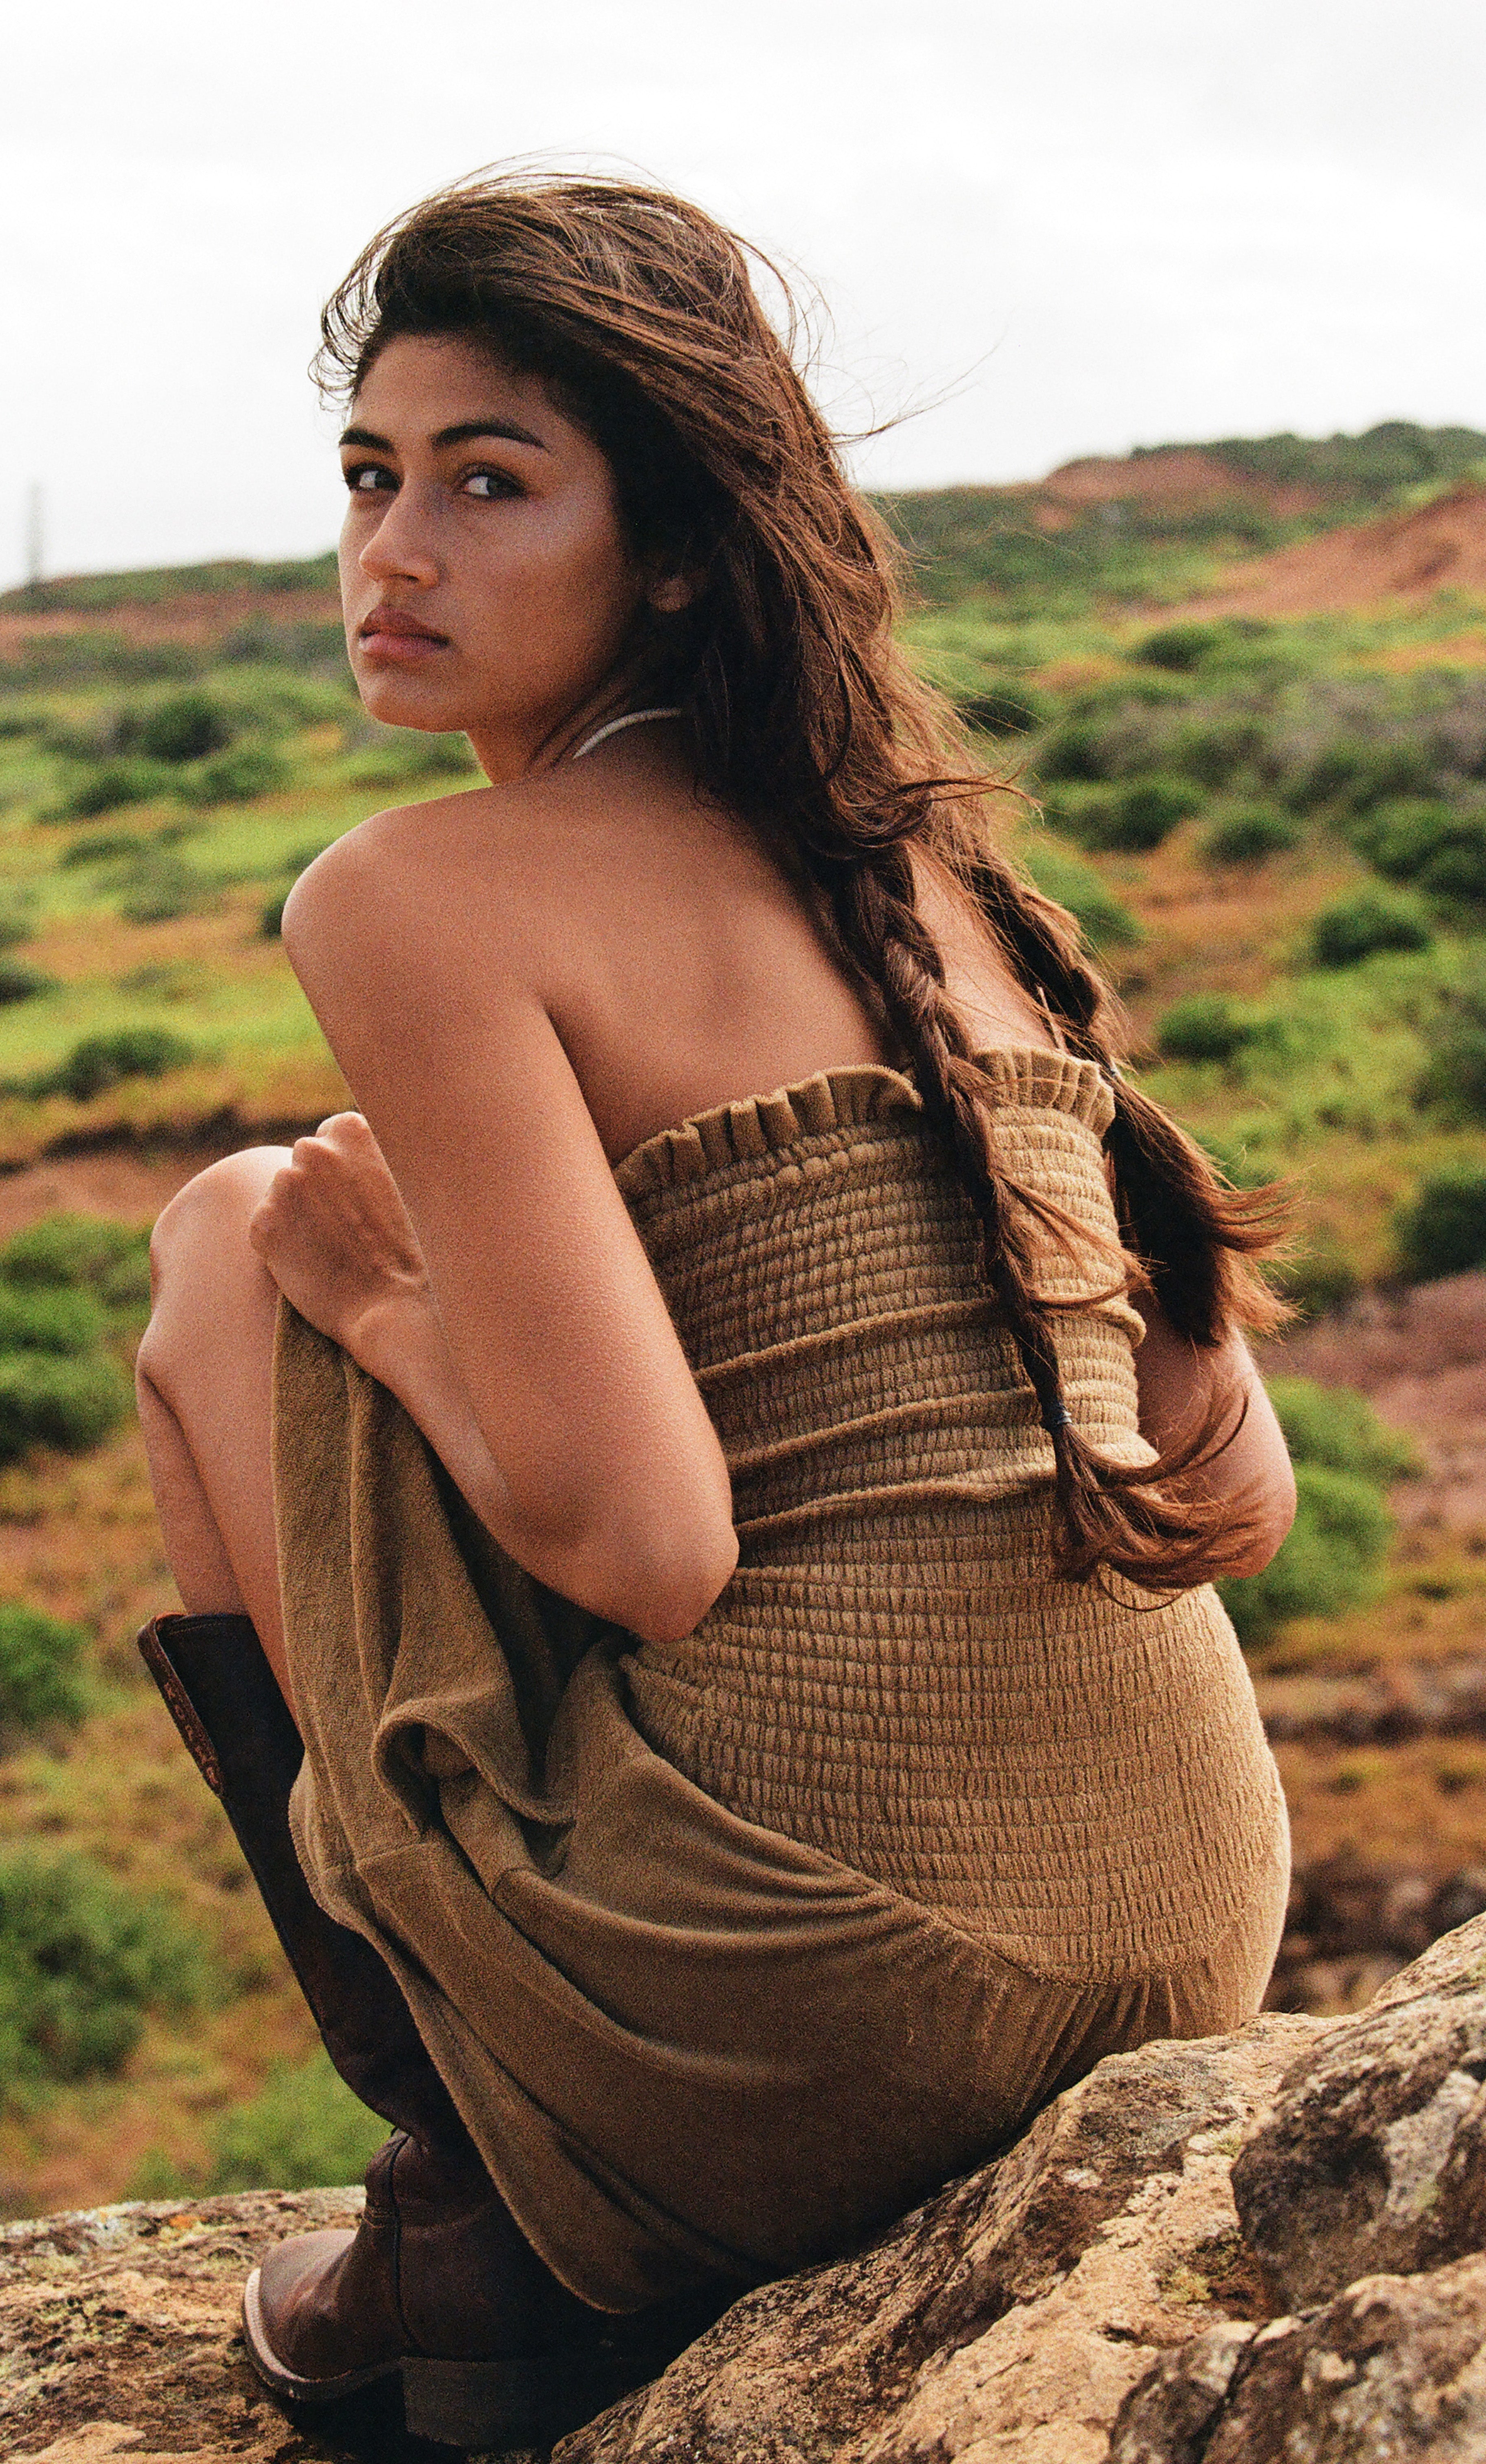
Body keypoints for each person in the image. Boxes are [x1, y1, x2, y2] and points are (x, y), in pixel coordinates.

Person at [133, 171, 1297, 2448]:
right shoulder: (942, 880)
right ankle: (512, 2183)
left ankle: (482, 2209)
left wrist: (381, 1306)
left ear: (668, 545)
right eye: (370, 481)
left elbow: (650, 1547)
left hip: (843, 2013)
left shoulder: (414, 894)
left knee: (229, 1234)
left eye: (489, 485)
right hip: (1186, 1920)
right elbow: (1226, 1476)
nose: (394, 556)